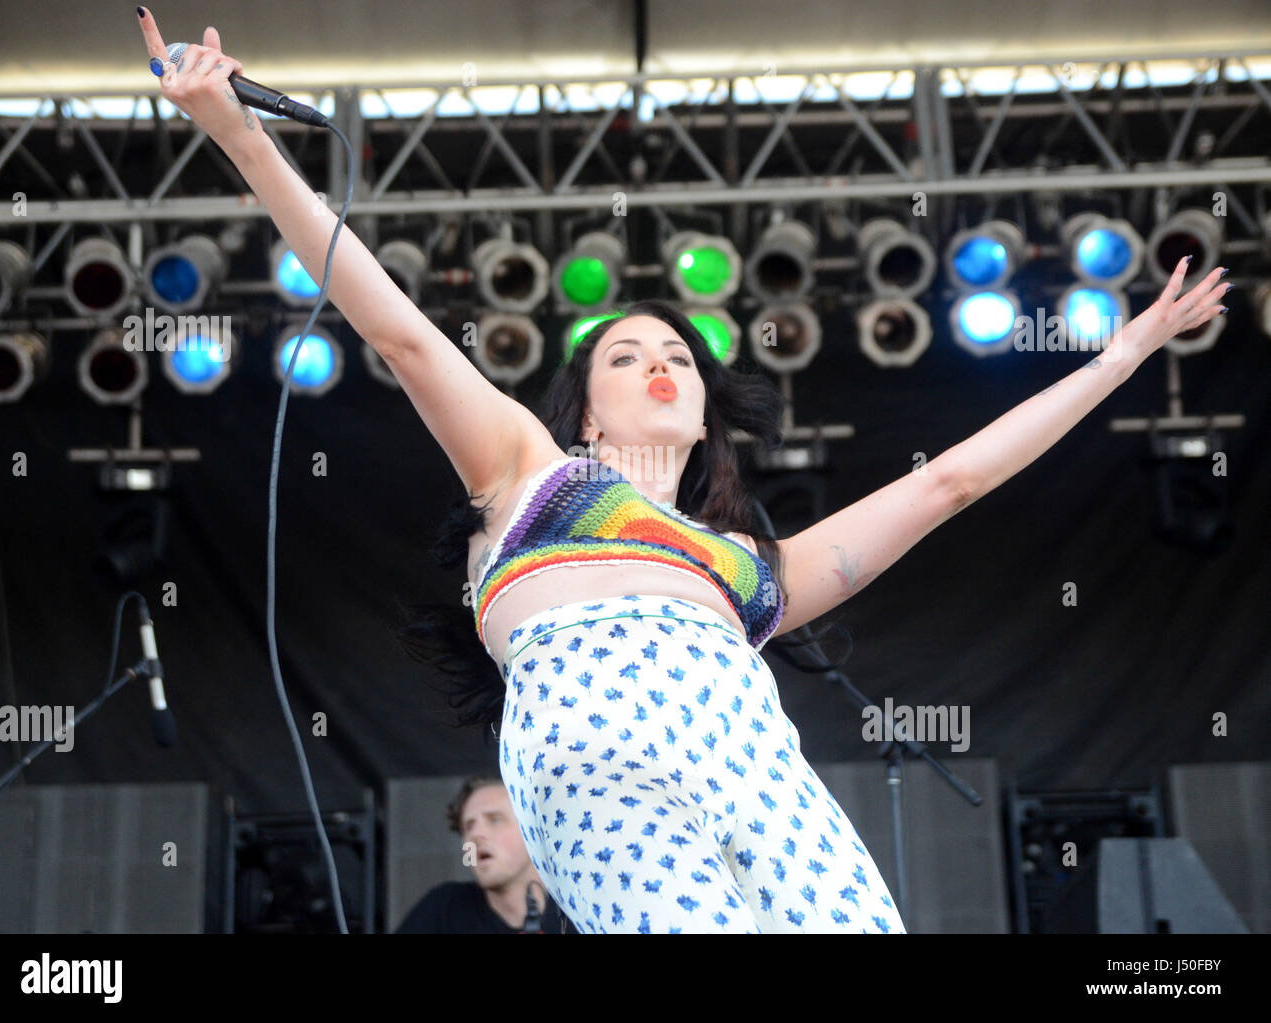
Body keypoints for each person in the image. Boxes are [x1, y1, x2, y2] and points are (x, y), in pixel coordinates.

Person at [136, 10, 1233, 934]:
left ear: (706, 407)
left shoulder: (753, 570)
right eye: (627, 354)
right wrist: (236, 134)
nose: (658, 363)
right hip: (595, 762)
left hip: (756, 770)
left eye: (675, 355)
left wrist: (1124, 356)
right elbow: (404, 331)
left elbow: (950, 481)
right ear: (580, 405)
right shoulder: (528, 473)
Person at [395, 775, 576, 933]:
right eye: (468, 826)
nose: (476, 835)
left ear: (532, 830)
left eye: (495, 820)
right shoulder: (444, 909)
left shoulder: (581, 908)